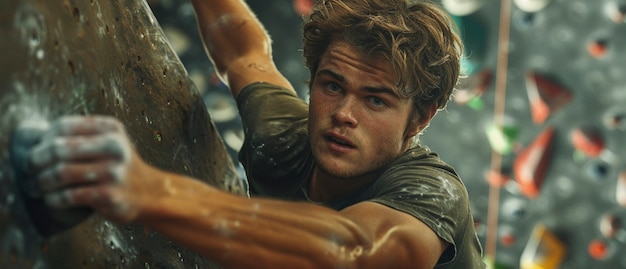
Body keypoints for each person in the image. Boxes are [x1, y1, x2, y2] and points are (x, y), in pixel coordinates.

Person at [20, 0, 484, 268]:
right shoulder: (283, 140)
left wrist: (146, 190)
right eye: (332, 85)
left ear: (420, 118)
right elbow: (243, 51)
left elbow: (356, 249)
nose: (343, 113)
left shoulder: (433, 193)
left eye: (376, 100)